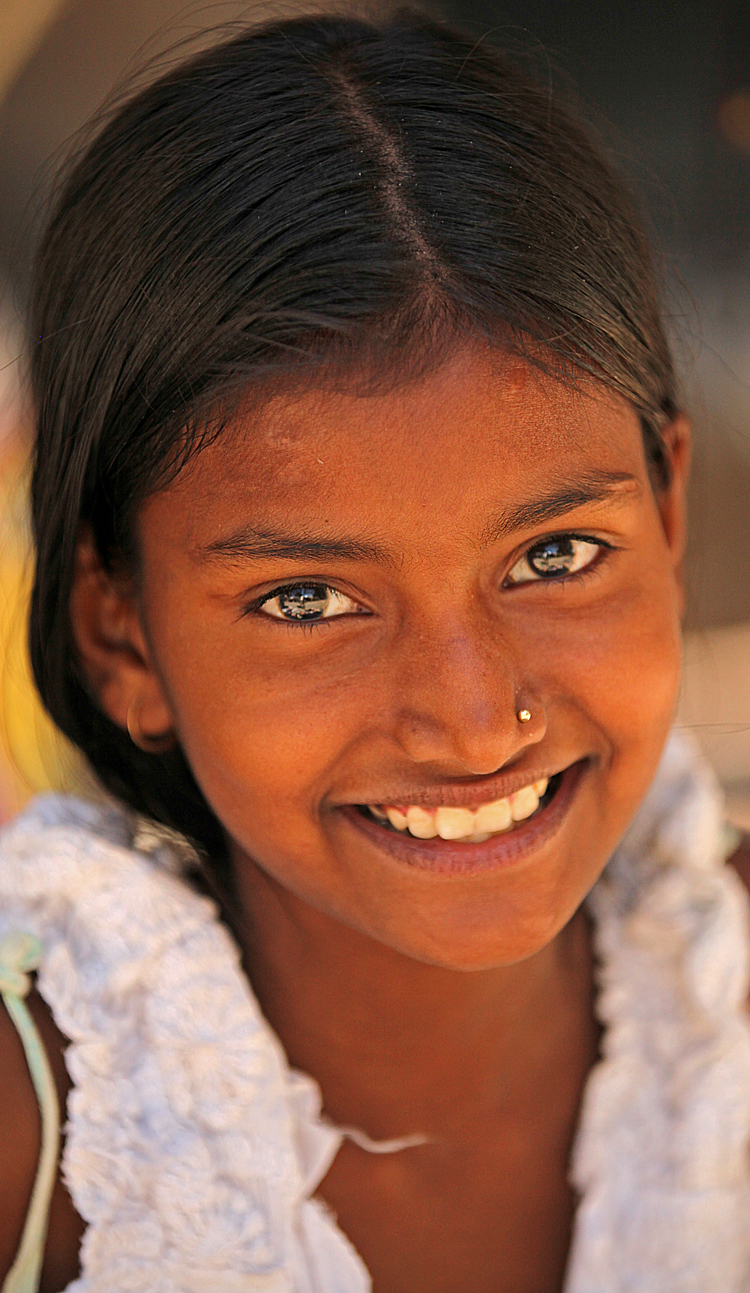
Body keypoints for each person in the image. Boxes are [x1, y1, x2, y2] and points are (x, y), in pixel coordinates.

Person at [1, 12, 749, 1292]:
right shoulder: (41, 1139)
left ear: (667, 515)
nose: (470, 721)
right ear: (117, 631)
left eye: (555, 557)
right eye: (306, 599)